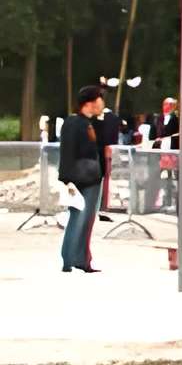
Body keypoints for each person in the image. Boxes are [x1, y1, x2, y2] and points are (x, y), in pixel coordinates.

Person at [56, 85, 108, 274]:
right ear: (90, 102)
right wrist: (67, 179)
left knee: (87, 220)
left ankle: (81, 258)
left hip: (92, 176)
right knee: (78, 218)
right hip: (80, 177)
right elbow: (68, 151)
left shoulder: (90, 123)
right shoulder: (73, 123)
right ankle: (70, 258)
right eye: (99, 99)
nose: (102, 103)